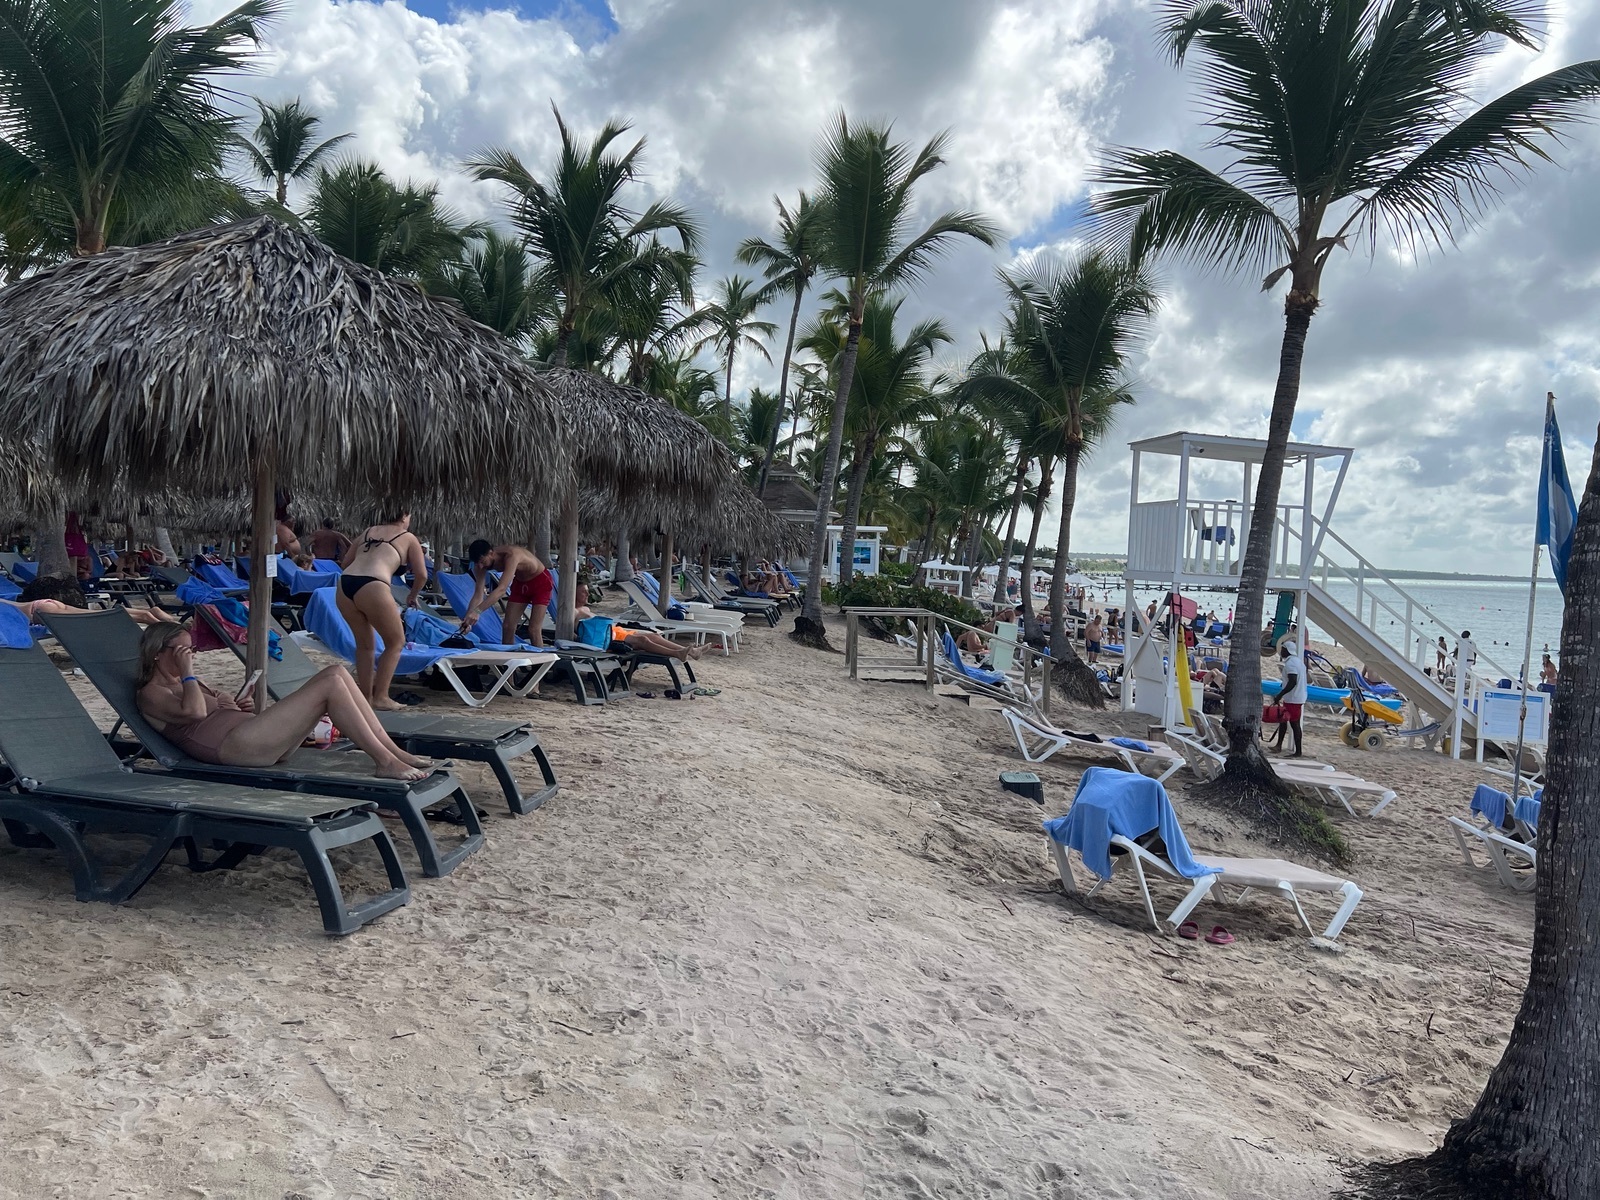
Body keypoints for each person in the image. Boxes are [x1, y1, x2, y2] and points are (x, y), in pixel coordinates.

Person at [134, 623, 431, 780]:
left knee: (337, 673)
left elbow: (215, 710)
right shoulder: (151, 693)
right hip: (235, 749)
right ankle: (385, 761)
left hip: (252, 738)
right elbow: (197, 712)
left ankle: (393, 752)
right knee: (330, 681)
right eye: (183, 651)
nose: (190, 656)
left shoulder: (188, 683)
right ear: (158, 652)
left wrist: (241, 706)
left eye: (191, 650)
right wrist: (188, 672)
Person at [337, 513, 427, 711]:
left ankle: (365, 698)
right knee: (395, 642)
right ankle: (381, 697)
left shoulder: (368, 532)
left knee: (365, 646)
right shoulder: (408, 537)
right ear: (404, 517)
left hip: (345, 584)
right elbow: (421, 575)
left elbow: (345, 563)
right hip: (373, 584)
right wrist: (412, 595)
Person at [461, 540, 550, 648]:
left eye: (482, 561)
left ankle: (540, 658)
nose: (480, 566)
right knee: (507, 627)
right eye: (477, 563)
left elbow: (501, 590)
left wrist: (477, 611)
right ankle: (508, 657)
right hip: (520, 583)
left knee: (533, 629)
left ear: (491, 553)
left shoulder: (512, 555)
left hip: (540, 582)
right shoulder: (480, 565)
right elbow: (478, 594)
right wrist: (468, 619)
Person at [1270, 640, 1307, 757]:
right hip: (1295, 697)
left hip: (1293, 698)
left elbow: (1292, 681)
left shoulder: (1291, 664)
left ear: (1288, 650)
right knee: (1283, 720)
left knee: (1294, 724)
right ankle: (1278, 745)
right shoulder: (1298, 662)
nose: (1281, 651)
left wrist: (1280, 694)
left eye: (1283, 649)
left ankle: (1298, 751)